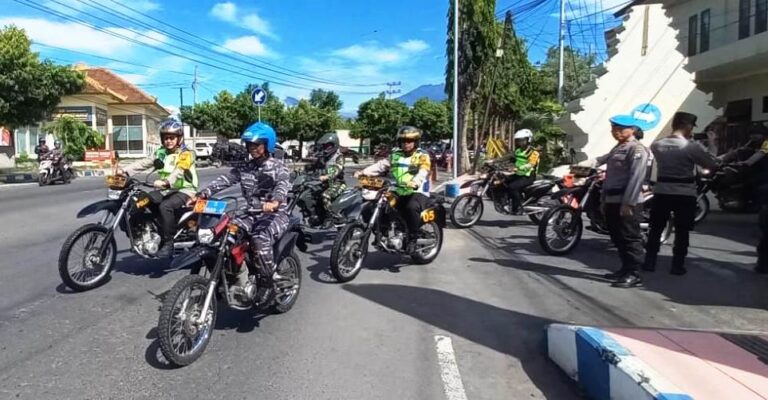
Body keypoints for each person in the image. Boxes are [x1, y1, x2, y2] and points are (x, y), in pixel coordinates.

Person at [192, 122, 291, 303]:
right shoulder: (245, 167)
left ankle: (266, 282)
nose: (251, 148)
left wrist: (275, 201)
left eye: (256, 145)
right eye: (249, 145)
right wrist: (202, 194)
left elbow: (283, 185)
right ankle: (232, 275)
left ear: (267, 144)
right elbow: (224, 180)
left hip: (275, 214)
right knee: (224, 235)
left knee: (259, 240)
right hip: (250, 213)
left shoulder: (279, 166)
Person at [644, 112, 719, 276]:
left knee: (656, 228)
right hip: (685, 194)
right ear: (688, 127)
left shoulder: (657, 144)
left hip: (662, 191)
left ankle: (649, 262)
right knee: (682, 231)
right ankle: (677, 266)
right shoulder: (690, 147)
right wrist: (712, 143)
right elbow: (711, 163)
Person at [118, 119, 199, 258]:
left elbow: (179, 170)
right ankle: (148, 232)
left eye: (172, 138)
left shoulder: (186, 153)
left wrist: (167, 181)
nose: (169, 141)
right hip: (166, 190)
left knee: (165, 206)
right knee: (142, 201)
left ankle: (169, 243)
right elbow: (144, 163)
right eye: (166, 138)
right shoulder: (161, 152)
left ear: (179, 138)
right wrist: (125, 171)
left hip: (185, 190)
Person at [355, 126, 431, 250]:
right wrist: (363, 172)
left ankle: (413, 238)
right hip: (398, 189)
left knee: (410, 207)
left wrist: (415, 182)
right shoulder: (395, 155)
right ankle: (383, 233)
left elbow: (423, 171)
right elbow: (380, 166)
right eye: (403, 141)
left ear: (416, 141)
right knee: (380, 204)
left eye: (409, 141)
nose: (406, 144)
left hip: (418, 191)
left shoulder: (422, 155)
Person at [599, 114, 650, 288]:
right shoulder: (618, 148)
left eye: (620, 129)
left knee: (630, 237)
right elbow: (601, 161)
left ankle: (634, 273)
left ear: (633, 130)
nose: (616, 132)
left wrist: (629, 203)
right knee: (617, 235)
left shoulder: (637, 149)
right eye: (614, 129)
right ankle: (624, 268)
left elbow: (636, 177)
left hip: (627, 200)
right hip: (613, 198)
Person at [500, 129, 540, 214]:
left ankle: (518, 207)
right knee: (502, 182)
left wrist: (517, 168)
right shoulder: (518, 151)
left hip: (528, 176)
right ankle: (505, 204)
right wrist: (495, 161)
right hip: (519, 174)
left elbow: (531, 165)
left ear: (528, 140)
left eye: (522, 140)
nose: (520, 142)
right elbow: (509, 158)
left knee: (513, 187)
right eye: (518, 140)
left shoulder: (533, 153)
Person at [311, 132, 346, 227]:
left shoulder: (339, 157)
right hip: (325, 183)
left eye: (328, 146)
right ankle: (316, 216)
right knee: (311, 193)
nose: (326, 148)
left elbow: (337, 170)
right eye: (325, 146)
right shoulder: (324, 156)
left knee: (325, 195)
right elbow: (312, 167)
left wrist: (326, 176)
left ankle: (331, 217)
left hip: (338, 183)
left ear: (334, 145)